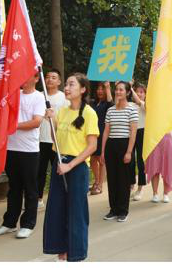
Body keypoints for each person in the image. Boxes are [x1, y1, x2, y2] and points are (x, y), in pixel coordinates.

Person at [42, 73, 99, 262]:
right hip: (60, 163)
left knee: (76, 212)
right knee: (57, 209)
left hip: (77, 167)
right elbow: (56, 139)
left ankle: (77, 254)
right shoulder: (63, 111)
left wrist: (70, 165)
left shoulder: (89, 113)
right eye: (66, 84)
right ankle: (61, 251)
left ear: (83, 89)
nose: (67, 88)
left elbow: (92, 146)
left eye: (71, 84)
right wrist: (52, 121)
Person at [0, 72, 46, 239]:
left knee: (30, 189)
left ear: (36, 78)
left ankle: (28, 224)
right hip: (11, 148)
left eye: (27, 74)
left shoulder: (38, 97)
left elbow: (36, 122)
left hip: (29, 150)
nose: (22, 77)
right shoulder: (14, 94)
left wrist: (13, 126)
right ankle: (9, 223)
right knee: (14, 188)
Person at [101, 81, 139, 222]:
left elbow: (133, 132)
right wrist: (103, 151)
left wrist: (129, 152)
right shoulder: (110, 110)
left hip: (125, 145)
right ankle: (113, 209)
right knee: (112, 179)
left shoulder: (132, 110)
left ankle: (123, 211)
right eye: (116, 89)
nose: (118, 92)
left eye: (121, 90)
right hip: (111, 145)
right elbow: (106, 131)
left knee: (123, 180)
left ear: (128, 92)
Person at [37, 69, 66, 207]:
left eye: (54, 77)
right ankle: (38, 198)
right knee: (39, 171)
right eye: (48, 77)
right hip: (40, 139)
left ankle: (59, 198)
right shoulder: (39, 96)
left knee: (57, 171)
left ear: (59, 81)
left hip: (56, 141)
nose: (49, 79)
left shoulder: (63, 98)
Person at [89, 81, 113, 196]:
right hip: (92, 133)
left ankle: (100, 185)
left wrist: (107, 87)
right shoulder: (93, 103)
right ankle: (97, 180)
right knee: (92, 158)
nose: (100, 91)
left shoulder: (107, 104)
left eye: (102, 89)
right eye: (98, 89)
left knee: (101, 159)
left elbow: (111, 103)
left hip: (103, 133)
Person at [129, 84, 148, 201]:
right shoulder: (130, 105)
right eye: (137, 91)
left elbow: (138, 101)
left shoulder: (145, 105)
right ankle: (131, 184)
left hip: (142, 132)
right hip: (131, 133)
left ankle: (140, 188)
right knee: (130, 160)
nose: (139, 94)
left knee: (141, 162)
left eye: (142, 92)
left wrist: (130, 88)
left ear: (145, 94)